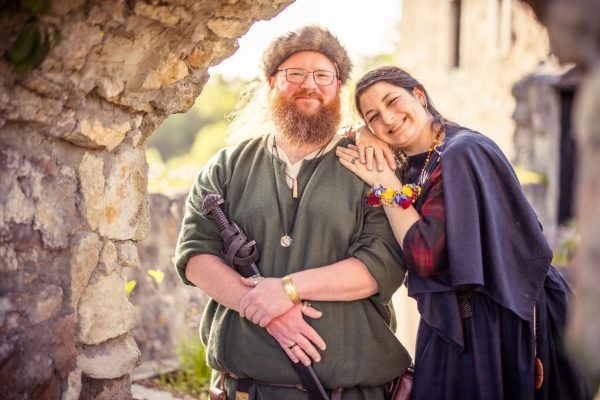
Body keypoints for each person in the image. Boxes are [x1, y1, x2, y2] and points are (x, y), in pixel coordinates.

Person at [175, 27, 411, 400]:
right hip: (244, 391)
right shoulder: (227, 166)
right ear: (272, 82)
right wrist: (263, 308)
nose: (310, 85)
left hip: (349, 392)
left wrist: (287, 290)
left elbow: (379, 265)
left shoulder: (369, 167)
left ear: (338, 88)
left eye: (323, 76)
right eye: (295, 74)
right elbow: (195, 255)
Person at [336, 65, 593, 399]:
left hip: (501, 322)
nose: (388, 118)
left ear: (419, 96)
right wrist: (360, 132)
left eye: (392, 101)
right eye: (374, 117)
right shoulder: (420, 161)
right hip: (464, 321)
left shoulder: (461, 152)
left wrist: (386, 185)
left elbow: (425, 255)